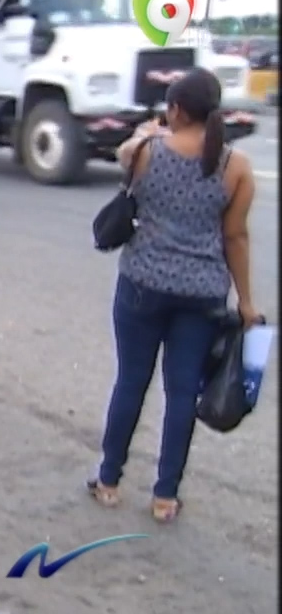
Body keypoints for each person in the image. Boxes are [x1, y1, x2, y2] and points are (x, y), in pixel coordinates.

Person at [89, 67, 258, 523]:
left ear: (177, 110)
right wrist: (245, 302)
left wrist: (150, 131)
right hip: (201, 295)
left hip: (142, 285)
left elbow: (123, 155)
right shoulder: (236, 167)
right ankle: (165, 496)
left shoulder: (147, 151)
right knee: (182, 392)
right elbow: (236, 237)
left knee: (131, 382)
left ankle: (108, 480)